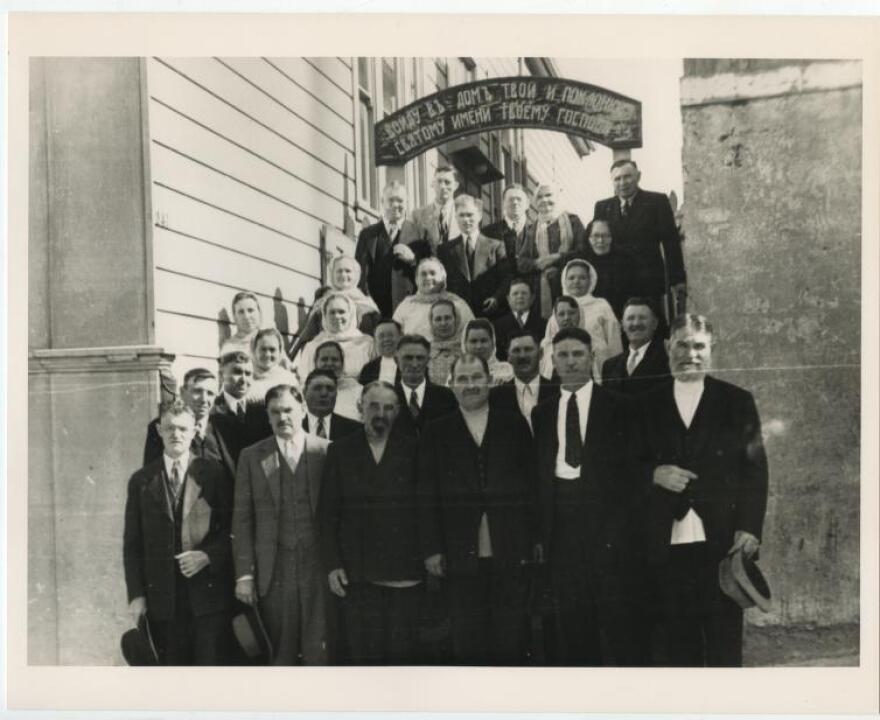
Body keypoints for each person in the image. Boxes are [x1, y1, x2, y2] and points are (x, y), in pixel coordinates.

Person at [635, 314, 768, 667]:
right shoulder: (645, 403)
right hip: (668, 539)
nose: (690, 353)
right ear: (667, 347)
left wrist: (750, 528)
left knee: (725, 641)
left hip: (722, 540)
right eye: (682, 344)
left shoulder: (736, 401)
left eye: (699, 346)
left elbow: (755, 470)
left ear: (711, 351)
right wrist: (653, 474)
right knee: (680, 642)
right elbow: (625, 465)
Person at [531, 327, 640, 666]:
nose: (571, 361)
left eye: (578, 354)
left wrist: (620, 530)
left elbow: (632, 475)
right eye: (562, 355)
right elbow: (540, 477)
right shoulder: (543, 412)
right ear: (553, 361)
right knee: (574, 619)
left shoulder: (619, 406)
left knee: (618, 616)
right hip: (562, 525)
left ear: (592, 357)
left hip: (607, 524)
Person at [419, 353, 537, 664]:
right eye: (463, 379)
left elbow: (532, 485)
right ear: (451, 384)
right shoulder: (435, 431)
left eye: (476, 378)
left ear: (488, 380)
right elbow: (427, 495)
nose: (470, 385)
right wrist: (431, 549)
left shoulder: (513, 425)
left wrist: (533, 539)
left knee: (511, 635)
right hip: (459, 552)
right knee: (467, 637)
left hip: (510, 547)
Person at [319, 381, 423, 665]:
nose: (381, 413)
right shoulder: (340, 451)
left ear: (398, 411)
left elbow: (425, 511)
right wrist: (332, 564)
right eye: (374, 406)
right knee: (365, 656)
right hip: (358, 573)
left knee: (401, 657)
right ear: (360, 408)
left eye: (389, 407)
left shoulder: (414, 449)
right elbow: (327, 514)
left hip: (404, 572)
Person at [124, 400, 234, 665]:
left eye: (183, 429)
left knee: (208, 672)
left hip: (207, 597)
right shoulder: (141, 480)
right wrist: (137, 595)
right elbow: (132, 544)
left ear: (195, 431)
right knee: (171, 675)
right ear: (159, 430)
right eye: (170, 428)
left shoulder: (214, 474)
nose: (176, 435)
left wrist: (207, 556)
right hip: (162, 599)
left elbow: (233, 529)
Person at [232, 384, 332, 665]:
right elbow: (242, 519)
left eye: (288, 409)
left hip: (317, 565)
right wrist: (244, 575)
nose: (282, 417)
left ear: (302, 409)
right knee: (280, 650)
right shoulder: (252, 456)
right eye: (275, 412)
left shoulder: (325, 451)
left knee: (319, 647)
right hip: (274, 569)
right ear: (267, 416)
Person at [593, 159, 686, 328]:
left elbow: (670, 242)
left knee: (651, 326)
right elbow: (595, 242)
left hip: (647, 279)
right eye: (617, 179)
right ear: (612, 181)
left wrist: (677, 279)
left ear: (638, 176)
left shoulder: (656, 202)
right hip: (615, 281)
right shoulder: (602, 207)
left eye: (627, 177)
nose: (623, 183)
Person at [355, 181, 432, 317]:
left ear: (407, 202)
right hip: (376, 311)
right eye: (391, 200)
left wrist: (414, 260)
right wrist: (368, 306)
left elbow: (431, 273)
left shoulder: (421, 233)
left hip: (410, 310)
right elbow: (360, 275)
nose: (396, 205)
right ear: (382, 202)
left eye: (400, 200)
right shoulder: (368, 235)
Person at [541, 259, 622, 381]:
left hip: (598, 363)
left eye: (582, 278)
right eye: (571, 278)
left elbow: (614, 340)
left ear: (590, 280)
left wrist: (616, 369)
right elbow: (548, 341)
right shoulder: (560, 306)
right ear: (564, 280)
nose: (576, 281)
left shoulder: (601, 305)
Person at [290, 256, 382, 360]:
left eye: (348, 271)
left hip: (358, 358)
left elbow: (378, 337)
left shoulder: (368, 306)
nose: (343, 275)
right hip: (327, 358)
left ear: (356, 274)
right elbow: (307, 337)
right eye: (339, 271)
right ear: (332, 274)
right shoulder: (322, 304)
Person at [516, 183, 586, 320]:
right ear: (535, 202)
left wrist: (557, 258)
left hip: (570, 284)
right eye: (540, 197)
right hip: (542, 291)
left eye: (548, 195)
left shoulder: (572, 221)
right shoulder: (532, 230)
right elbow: (522, 263)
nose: (544, 200)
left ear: (557, 198)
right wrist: (538, 263)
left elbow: (583, 251)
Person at [437, 194, 510, 318]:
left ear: (479, 216)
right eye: (462, 215)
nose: (466, 220)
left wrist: (496, 298)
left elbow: (506, 278)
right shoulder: (445, 249)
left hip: (489, 311)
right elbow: (442, 282)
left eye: (470, 215)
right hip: (458, 313)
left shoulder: (496, 246)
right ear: (456, 217)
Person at [143, 368, 224, 466]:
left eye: (210, 393)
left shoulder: (222, 426)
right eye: (197, 391)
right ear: (182, 392)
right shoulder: (163, 426)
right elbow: (152, 474)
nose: (204, 399)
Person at [210, 352, 272, 472]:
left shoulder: (263, 411)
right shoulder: (211, 412)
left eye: (248, 374)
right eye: (237, 372)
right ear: (221, 375)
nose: (244, 379)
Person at [295, 291, 374, 382]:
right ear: (325, 315)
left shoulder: (367, 344)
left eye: (341, 312)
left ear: (350, 314)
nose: (337, 316)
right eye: (332, 312)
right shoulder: (312, 347)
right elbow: (304, 381)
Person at [490, 330, 559, 432]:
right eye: (516, 350)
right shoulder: (495, 397)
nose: (522, 356)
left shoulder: (557, 392)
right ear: (508, 356)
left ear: (540, 353)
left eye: (528, 349)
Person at [392, 257, 474, 342]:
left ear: (443, 277)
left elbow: (472, 334)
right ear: (416, 280)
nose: (428, 277)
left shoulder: (457, 303)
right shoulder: (406, 305)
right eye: (423, 274)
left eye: (432, 273)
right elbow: (394, 335)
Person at [601, 298, 671, 395]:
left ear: (655, 324)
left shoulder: (668, 360)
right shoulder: (610, 366)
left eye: (642, 318)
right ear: (622, 325)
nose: (636, 323)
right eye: (630, 318)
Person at [393, 333, 458, 436]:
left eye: (420, 358)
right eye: (408, 358)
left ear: (428, 360)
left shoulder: (446, 397)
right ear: (396, 360)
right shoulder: (388, 397)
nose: (414, 364)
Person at [582, 218, 639, 320]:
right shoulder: (580, 260)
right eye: (596, 236)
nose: (600, 240)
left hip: (619, 315)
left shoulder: (627, 260)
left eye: (605, 236)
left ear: (611, 238)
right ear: (589, 238)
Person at [482, 184, 533, 284]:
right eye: (511, 199)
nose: (515, 202)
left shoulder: (537, 230)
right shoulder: (487, 233)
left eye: (519, 199)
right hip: (498, 293)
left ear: (527, 204)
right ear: (504, 203)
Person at [493, 277, 547, 361]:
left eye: (524, 293)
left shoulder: (544, 324)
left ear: (532, 298)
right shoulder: (497, 325)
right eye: (515, 293)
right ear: (508, 299)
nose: (520, 297)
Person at [301, 368, 362, 441]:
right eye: (317, 388)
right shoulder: (294, 426)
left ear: (336, 394)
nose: (324, 393)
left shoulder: (355, 430)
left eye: (330, 389)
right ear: (304, 392)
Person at [411, 165, 461, 251]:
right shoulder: (418, 215)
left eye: (447, 182)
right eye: (439, 181)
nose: (442, 186)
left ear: (455, 185)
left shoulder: (464, 213)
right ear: (433, 184)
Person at [312, 341, 363, 422]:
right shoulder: (305, 391)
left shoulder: (359, 391)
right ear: (315, 363)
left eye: (335, 360)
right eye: (324, 359)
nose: (329, 363)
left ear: (342, 364)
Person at [246, 328, 300, 403]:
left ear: (280, 351)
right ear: (254, 350)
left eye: (272, 350)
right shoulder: (244, 377)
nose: (267, 354)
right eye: (263, 349)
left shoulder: (289, 380)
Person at [538, 295, 582, 383]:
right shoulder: (546, 345)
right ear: (555, 318)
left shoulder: (590, 343)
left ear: (579, 315)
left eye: (571, 313)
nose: (567, 318)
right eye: (561, 314)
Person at [461, 318, 514, 386]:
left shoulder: (507, 371)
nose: (479, 346)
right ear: (465, 344)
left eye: (483, 341)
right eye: (473, 341)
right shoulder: (457, 374)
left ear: (492, 343)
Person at [426, 299, 462, 386]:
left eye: (447, 318)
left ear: (456, 319)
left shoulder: (467, 347)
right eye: (438, 319)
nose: (443, 323)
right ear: (431, 322)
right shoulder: (425, 351)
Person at [358, 318, 402, 386]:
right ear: (375, 341)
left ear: (400, 337)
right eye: (381, 336)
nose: (386, 339)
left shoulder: (410, 364)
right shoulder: (368, 369)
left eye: (390, 335)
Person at [220, 291, 262, 357]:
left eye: (250, 310)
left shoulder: (272, 340)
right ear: (234, 317)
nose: (246, 316)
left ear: (259, 313)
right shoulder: (230, 347)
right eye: (241, 312)